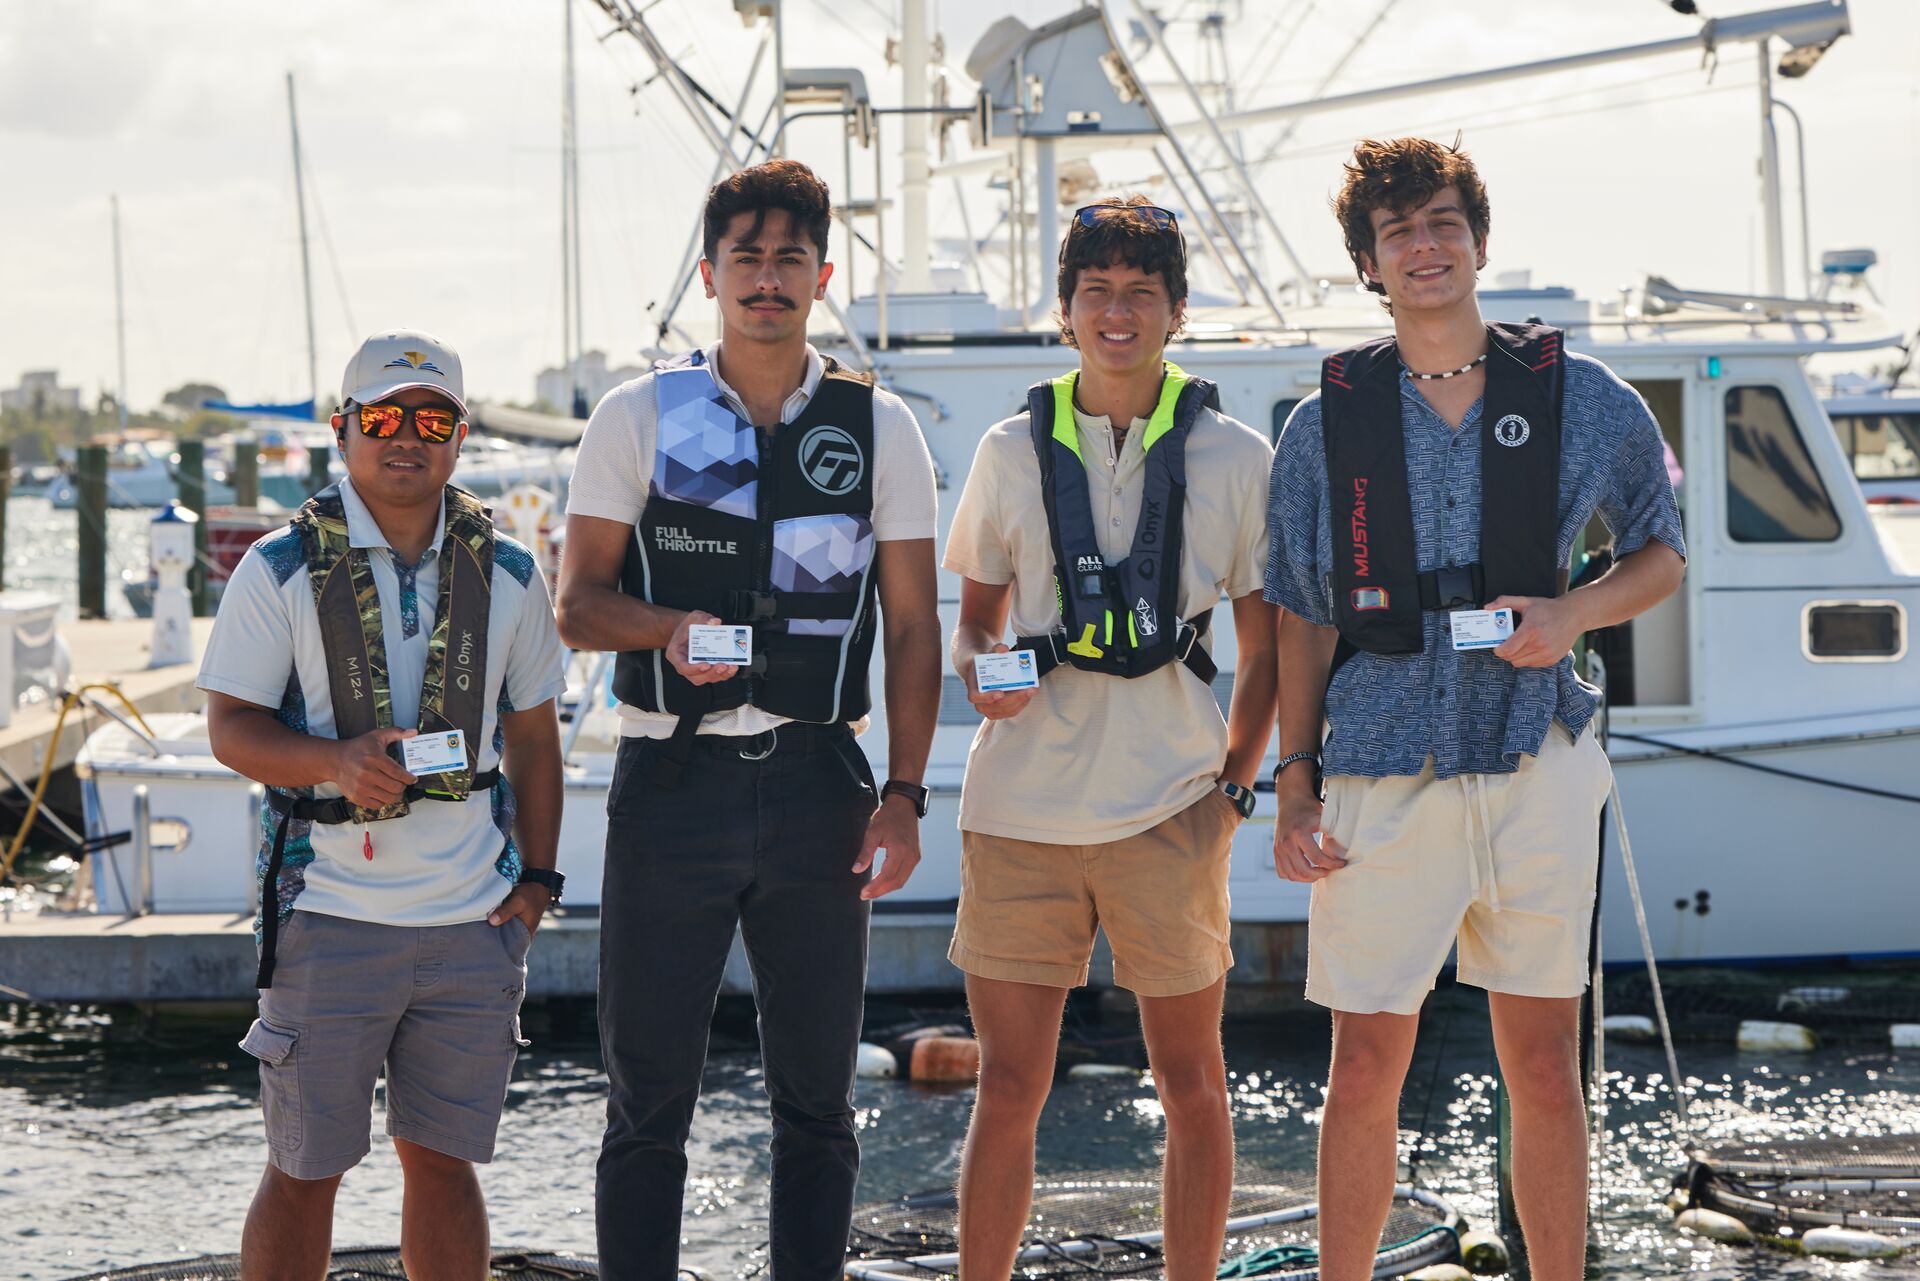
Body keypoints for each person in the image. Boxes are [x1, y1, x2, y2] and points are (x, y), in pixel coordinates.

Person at [1264, 138, 1686, 1281]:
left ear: (1481, 242)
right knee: (1365, 1066)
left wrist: (1574, 611)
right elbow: (1300, 615)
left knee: (1543, 1064)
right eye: (1397, 231)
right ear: (1368, 263)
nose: (1425, 246)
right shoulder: (1322, 426)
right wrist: (1294, 786)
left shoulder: (1581, 396)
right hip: (1380, 764)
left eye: (1444, 222)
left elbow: (1662, 550)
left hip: (1534, 751)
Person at [556, 158, 942, 1281]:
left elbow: (915, 627)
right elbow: (577, 606)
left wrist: (905, 796)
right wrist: (666, 627)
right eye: (746, 259)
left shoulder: (881, 427)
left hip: (822, 785)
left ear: (823, 274)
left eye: (789, 260)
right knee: (647, 1102)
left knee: (818, 1103)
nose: (767, 280)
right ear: (710, 275)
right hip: (670, 787)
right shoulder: (637, 416)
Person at [944, 196, 1278, 1281]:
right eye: (1098, 292)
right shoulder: (1006, 448)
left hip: (1172, 807)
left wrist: (1234, 791)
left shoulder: (1238, 455)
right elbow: (975, 622)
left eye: (1142, 292)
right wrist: (980, 671)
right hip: (1019, 813)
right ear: (1066, 310)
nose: (1118, 313)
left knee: (1193, 1085)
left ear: (1177, 311)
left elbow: (1267, 648)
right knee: (1009, 1087)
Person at [201, 329, 567, 1281]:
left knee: (445, 1166)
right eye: (385, 417)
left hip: (473, 922)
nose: (409, 437)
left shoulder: (512, 573)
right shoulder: (278, 567)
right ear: (343, 429)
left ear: (460, 437)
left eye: (434, 420)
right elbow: (230, 728)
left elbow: (535, 738)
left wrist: (537, 882)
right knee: (302, 1170)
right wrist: (334, 761)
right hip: (328, 916)